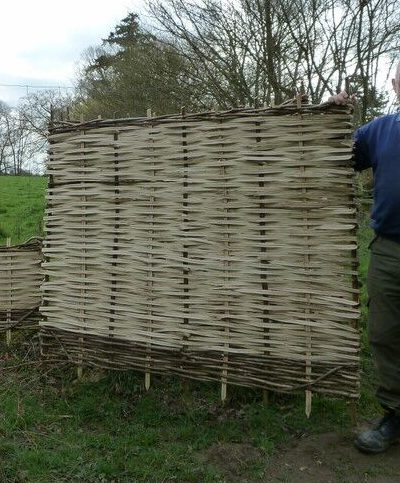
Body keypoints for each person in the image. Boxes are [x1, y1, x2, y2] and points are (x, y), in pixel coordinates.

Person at [329, 62, 400, 454]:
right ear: (395, 84)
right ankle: (394, 415)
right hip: (390, 248)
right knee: (386, 333)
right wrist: (332, 112)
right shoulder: (382, 130)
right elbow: (337, 151)